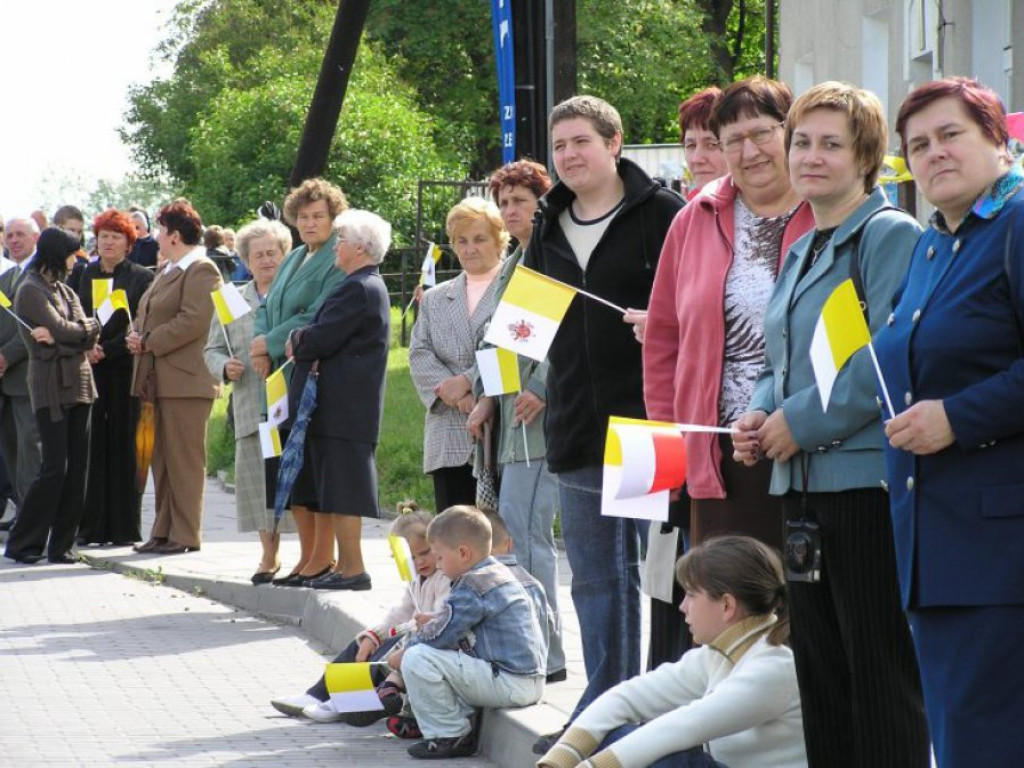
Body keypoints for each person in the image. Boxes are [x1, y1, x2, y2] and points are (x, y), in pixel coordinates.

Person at [732, 82, 929, 768]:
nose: (810, 156)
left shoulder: (888, 236)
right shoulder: (802, 246)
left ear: (867, 156)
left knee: (878, 677)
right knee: (821, 677)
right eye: (801, 142)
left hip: (867, 486)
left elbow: (885, 358)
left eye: (831, 144)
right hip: (802, 492)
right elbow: (777, 359)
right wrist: (758, 411)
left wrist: (800, 423)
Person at [524, 95, 684, 745]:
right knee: (594, 576)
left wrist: (661, 322)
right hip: (576, 424)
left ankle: (662, 709)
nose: (568, 156)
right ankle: (600, 712)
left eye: (580, 142)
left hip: (650, 424)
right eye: (559, 146)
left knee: (658, 572)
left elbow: (697, 305)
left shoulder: (665, 213)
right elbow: (529, 319)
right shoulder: (547, 222)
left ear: (615, 144)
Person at [875, 76, 1024, 768]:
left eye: (950, 135)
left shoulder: (1016, 225)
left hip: (999, 554)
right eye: (917, 146)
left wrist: (956, 418)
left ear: (998, 138)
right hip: (935, 549)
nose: (933, 154)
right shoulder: (937, 244)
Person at [644, 76, 815, 558]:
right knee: (728, 610)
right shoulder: (694, 218)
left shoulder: (826, 211)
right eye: (732, 140)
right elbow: (662, 341)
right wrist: (667, 461)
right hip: (717, 455)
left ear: (789, 131)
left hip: (811, 450)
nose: (749, 150)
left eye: (762, 133)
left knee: (805, 619)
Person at [537, 536, 806, 768]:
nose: (682, 607)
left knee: (666, 760)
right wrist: (558, 760)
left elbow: (683, 727)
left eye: (690, 594)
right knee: (611, 734)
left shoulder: (774, 666)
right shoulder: (720, 653)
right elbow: (626, 697)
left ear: (727, 606)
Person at [465, 160, 566, 683]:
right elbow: (500, 340)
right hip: (510, 421)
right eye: (504, 202)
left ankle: (545, 657)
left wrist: (542, 388)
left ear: (541, 203)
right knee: (516, 531)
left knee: (525, 536)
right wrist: (485, 397)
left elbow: (564, 329)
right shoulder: (515, 263)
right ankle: (538, 650)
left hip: (538, 422)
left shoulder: (548, 256)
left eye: (521, 201)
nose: (511, 210)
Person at [283, 208, 392, 591]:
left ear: (361, 246)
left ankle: (352, 569)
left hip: (344, 410)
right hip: (342, 409)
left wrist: (297, 339)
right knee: (335, 490)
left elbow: (320, 338)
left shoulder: (358, 287)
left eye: (341, 239)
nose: (336, 246)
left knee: (345, 491)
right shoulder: (360, 284)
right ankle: (344, 566)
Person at [269, 502, 451, 727]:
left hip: (423, 644)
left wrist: (414, 626)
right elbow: (401, 611)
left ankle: (345, 700)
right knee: (362, 644)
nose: (420, 561)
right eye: (411, 557)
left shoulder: (445, 576)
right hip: (413, 637)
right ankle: (318, 693)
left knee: (384, 653)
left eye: (424, 553)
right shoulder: (415, 579)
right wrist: (373, 635)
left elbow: (442, 616)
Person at [250, 178, 347, 587]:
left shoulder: (335, 258)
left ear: (333, 218)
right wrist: (259, 344)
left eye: (318, 216)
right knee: (287, 470)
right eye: (303, 217)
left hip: (308, 371)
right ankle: (306, 555)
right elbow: (267, 303)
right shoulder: (295, 257)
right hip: (275, 375)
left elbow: (316, 312)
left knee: (309, 466)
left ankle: (322, 557)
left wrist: (269, 341)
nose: (310, 223)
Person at [401, 505, 546, 759]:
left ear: (463, 553)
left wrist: (404, 652)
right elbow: (454, 625)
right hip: (527, 680)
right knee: (432, 651)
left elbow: (441, 636)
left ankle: (449, 734)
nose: (437, 563)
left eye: (439, 557)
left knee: (417, 657)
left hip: (509, 681)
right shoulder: (494, 573)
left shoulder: (473, 583)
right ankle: (443, 716)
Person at [127, 198, 222, 554]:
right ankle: (163, 530)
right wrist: (136, 334)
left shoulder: (202, 269)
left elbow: (193, 320)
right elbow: (147, 312)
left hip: (186, 382)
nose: (156, 236)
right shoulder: (167, 270)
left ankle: (185, 534)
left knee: (184, 461)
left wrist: (149, 341)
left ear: (175, 236)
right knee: (161, 460)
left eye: (161, 230)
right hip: (158, 381)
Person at [3, 228, 100, 564]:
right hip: (50, 388)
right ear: (59, 253)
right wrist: (78, 334)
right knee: (54, 468)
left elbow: (86, 329)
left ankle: (63, 546)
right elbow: (68, 329)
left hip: (81, 385)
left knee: (77, 471)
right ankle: (23, 542)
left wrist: (70, 336)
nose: (77, 260)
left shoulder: (62, 289)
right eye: (73, 253)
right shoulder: (30, 289)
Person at [203, 218, 293, 581]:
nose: (266, 260)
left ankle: (311, 554)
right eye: (258, 255)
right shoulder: (230, 300)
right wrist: (225, 366)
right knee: (257, 480)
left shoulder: (294, 296)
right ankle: (268, 556)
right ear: (246, 260)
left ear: (285, 255)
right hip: (247, 402)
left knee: (293, 478)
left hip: (289, 399)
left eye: (273, 253)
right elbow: (210, 349)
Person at [410, 198, 505, 513]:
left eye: (479, 239)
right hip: (448, 430)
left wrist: (471, 384)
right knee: (454, 533)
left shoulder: (516, 289)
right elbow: (419, 353)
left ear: (499, 240)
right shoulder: (436, 297)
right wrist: (456, 396)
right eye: (461, 241)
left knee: (502, 534)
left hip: (500, 427)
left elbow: (513, 350)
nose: (470, 248)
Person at [75, 209, 155, 546]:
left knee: (125, 447)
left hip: (124, 372)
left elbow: (139, 323)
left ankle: (123, 529)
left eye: (116, 237)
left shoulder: (140, 277)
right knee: (92, 449)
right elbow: (75, 314)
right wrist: (86, 347)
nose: (108, 242)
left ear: (128, 242)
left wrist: (107, 349)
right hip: (88, 372)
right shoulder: (84, 274)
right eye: (104, 236)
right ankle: (91, 527)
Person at [0, 217, 43, 528]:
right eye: (9, 235)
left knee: (30, 450)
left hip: (27, 374)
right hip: (5, 380)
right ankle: (23, 514)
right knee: (11, 451)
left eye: (20, 235)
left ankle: (34, 519)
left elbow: (29, 325)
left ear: (35, 237)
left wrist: (5, 355)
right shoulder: (7, 277)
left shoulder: (40, 274)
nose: (14, 240)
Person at [680, 87, 728, 200]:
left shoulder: (765, 212)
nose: (696, 159)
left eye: (711, 145)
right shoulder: (686, 214)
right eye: (691, 145)